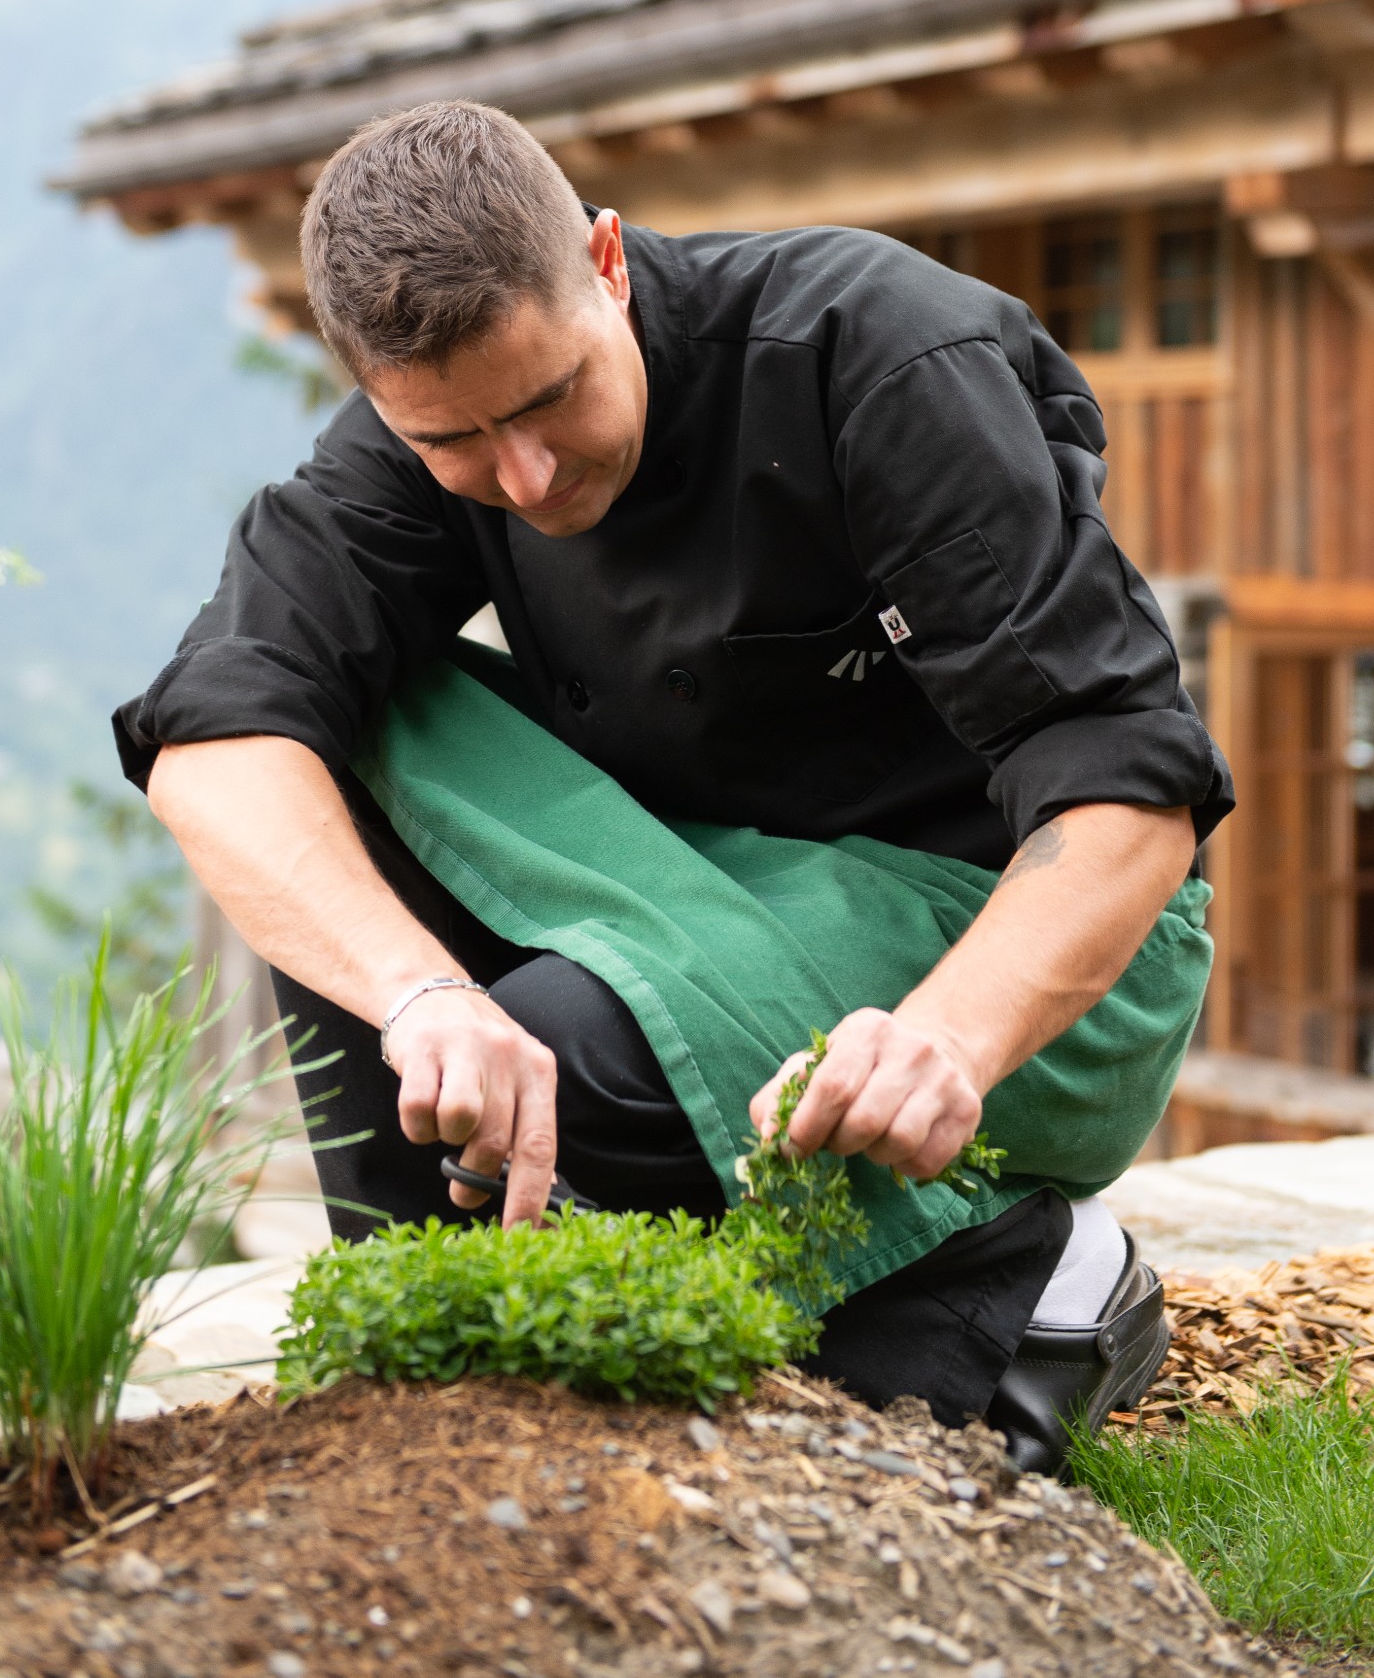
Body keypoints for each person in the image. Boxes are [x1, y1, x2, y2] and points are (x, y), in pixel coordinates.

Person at [121, 101, 1229, 1465]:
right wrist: (423, 1000)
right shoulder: (427, 440)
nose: (520, 477)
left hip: (1010, 960)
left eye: (548, 401)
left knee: (566, 1060)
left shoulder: (873, 352)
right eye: (454, 445)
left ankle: (1030, 1286)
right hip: (691, 889)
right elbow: (209, 740)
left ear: (606, 260)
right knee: (327, 741)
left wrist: (947, 1038)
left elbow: (1129, 794)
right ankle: (427, 1397)